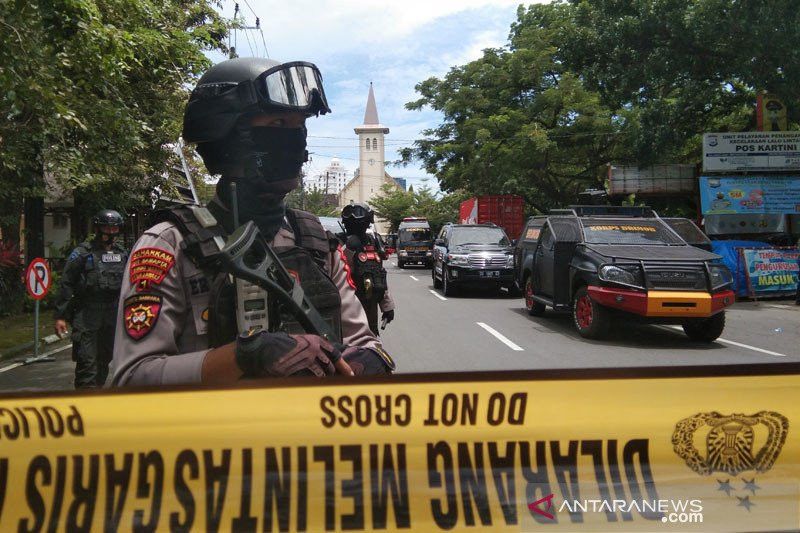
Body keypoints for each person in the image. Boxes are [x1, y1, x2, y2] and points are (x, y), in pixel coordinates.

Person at [111, 57, 394, 386]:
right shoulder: (171, 245)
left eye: (299, 127)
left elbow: (363, 340)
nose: (295, 140)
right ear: (228, 137)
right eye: (277, 125)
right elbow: (130, 379)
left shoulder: (314, 240)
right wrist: (240, 358)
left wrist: (369, 360)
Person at [55, 209, 128, 388]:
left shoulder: (122, 254)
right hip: (87, 314)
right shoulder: (82, 253)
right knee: (87, 363)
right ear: (97, 228)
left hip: (112, 314)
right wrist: (60, 316)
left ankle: (95, 396)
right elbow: (66, 283)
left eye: (114, 228)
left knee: (104, 360)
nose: (110, 232)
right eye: (106, 228)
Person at [337, 203, 395, 335]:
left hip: (370, 306)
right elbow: (335, 271)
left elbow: (378, 274)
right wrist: (349, 249)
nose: (356, 226)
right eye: (350, 223)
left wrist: (387, 306)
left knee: (371, 343)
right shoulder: (338, 243)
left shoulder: (373, 242)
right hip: (346, 308)